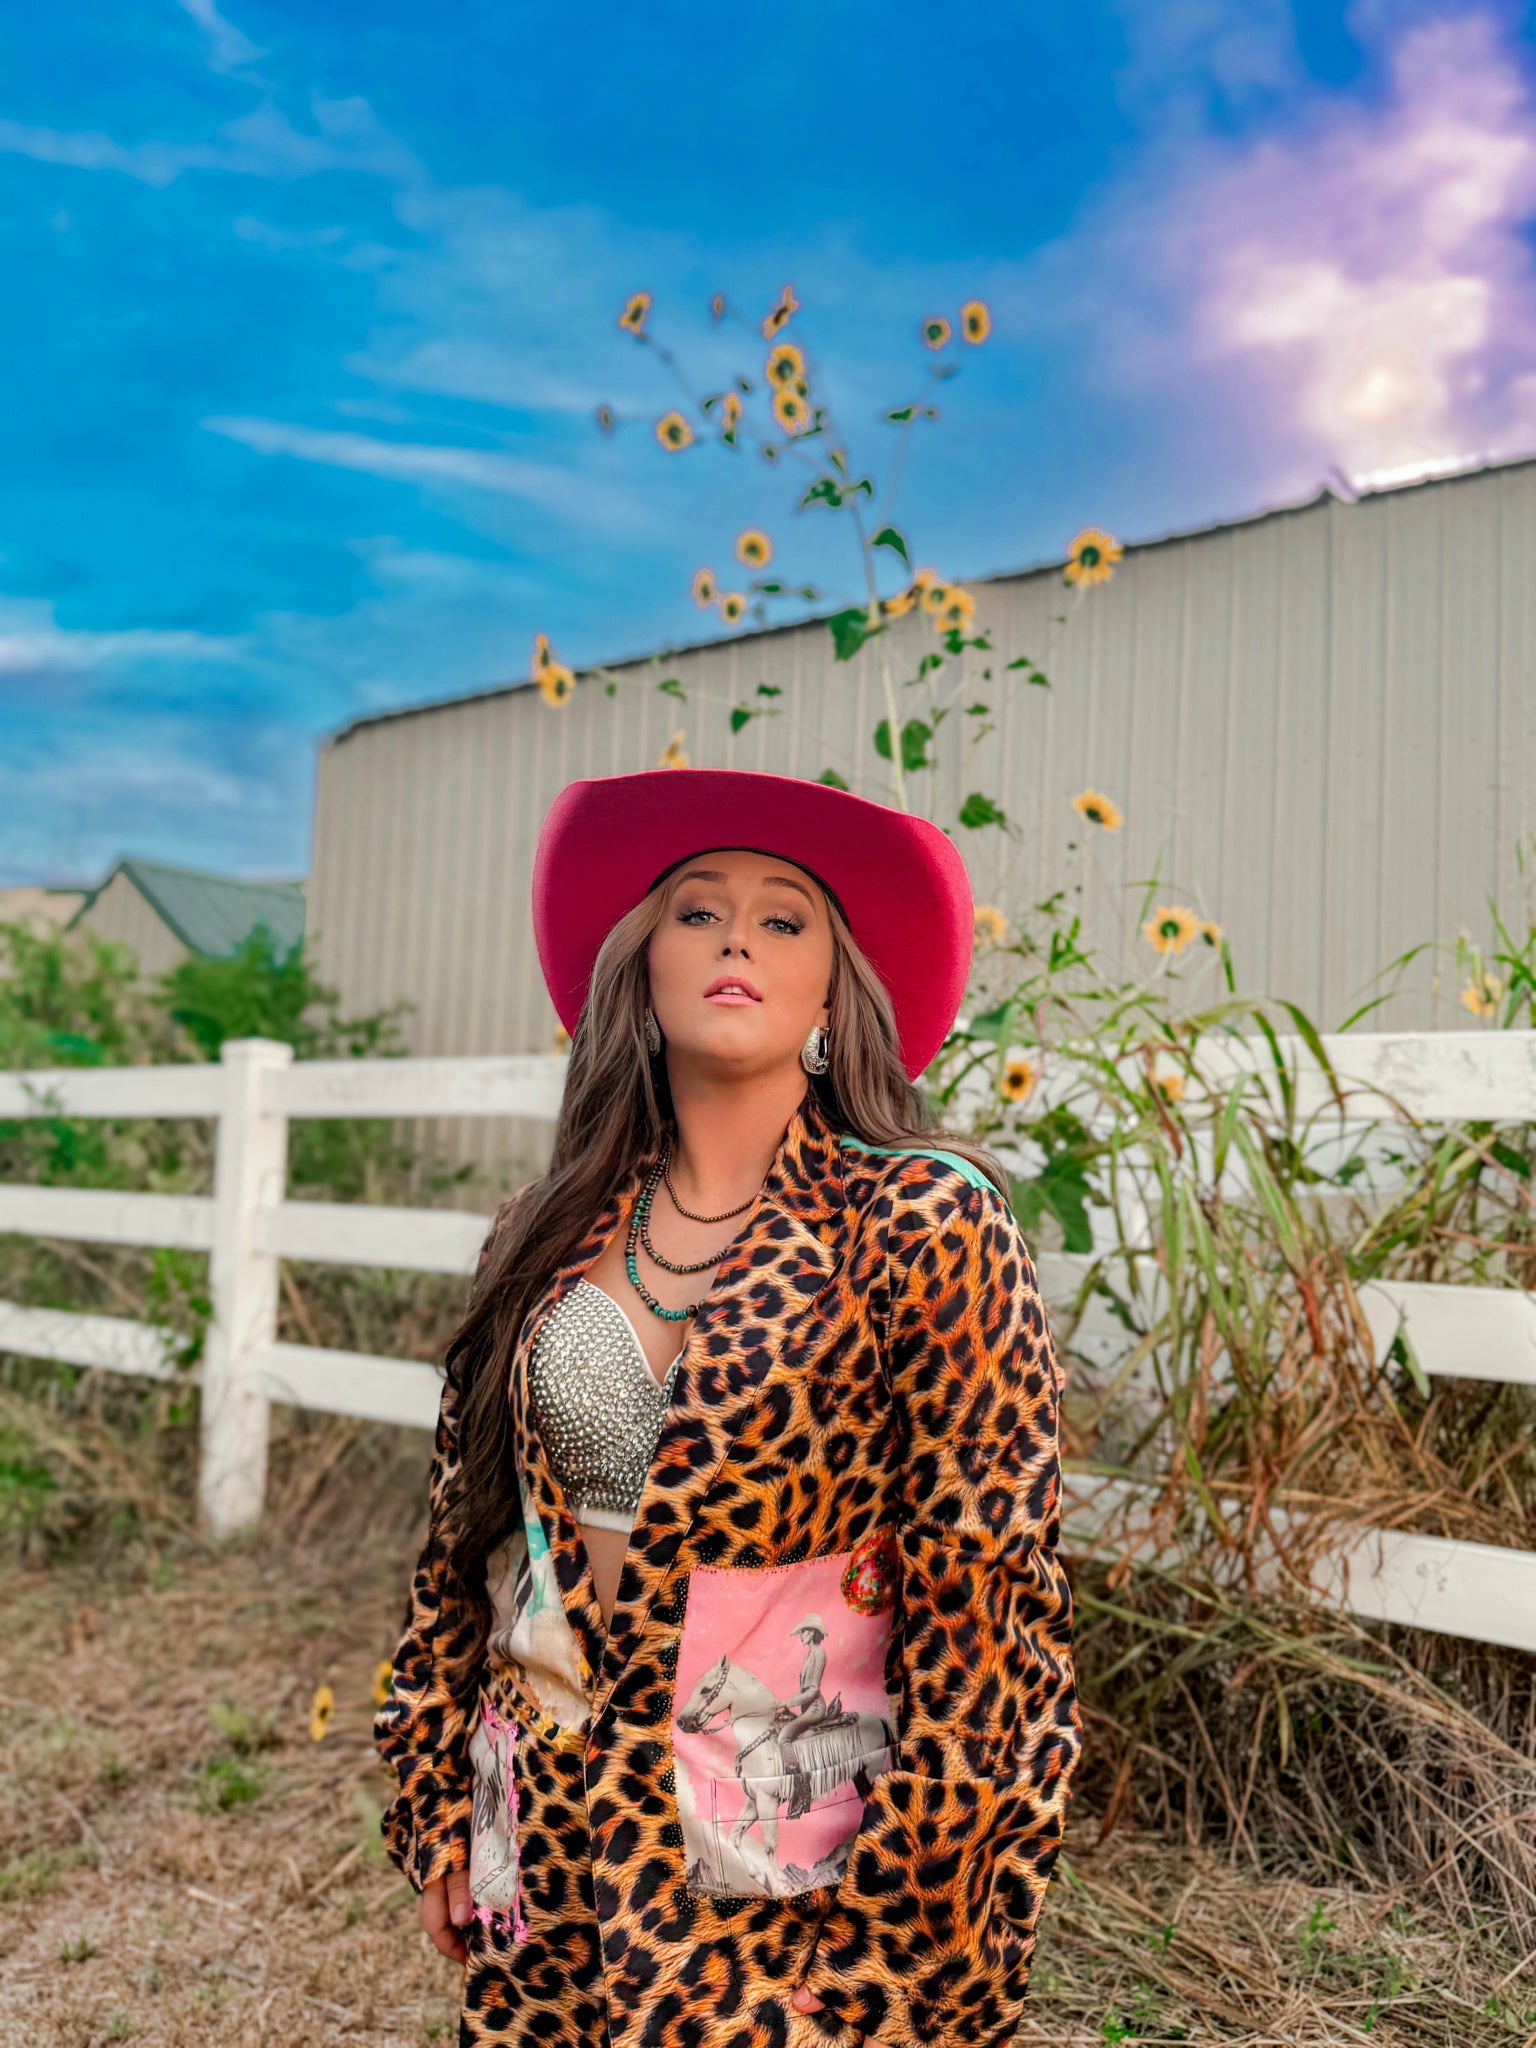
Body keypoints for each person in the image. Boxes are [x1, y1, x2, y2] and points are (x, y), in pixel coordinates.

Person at [373, 767, 1081, 2048]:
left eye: (783, 917)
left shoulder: (921, 1219)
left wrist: (918, 1921)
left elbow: (986, 1606)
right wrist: (438, 1806)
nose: (736, 937)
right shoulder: (545, 1230)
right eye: (696, 911)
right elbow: (462, 1545)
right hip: (542, 1810)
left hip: (790, 1851)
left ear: (835, 991)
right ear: (640, 969)